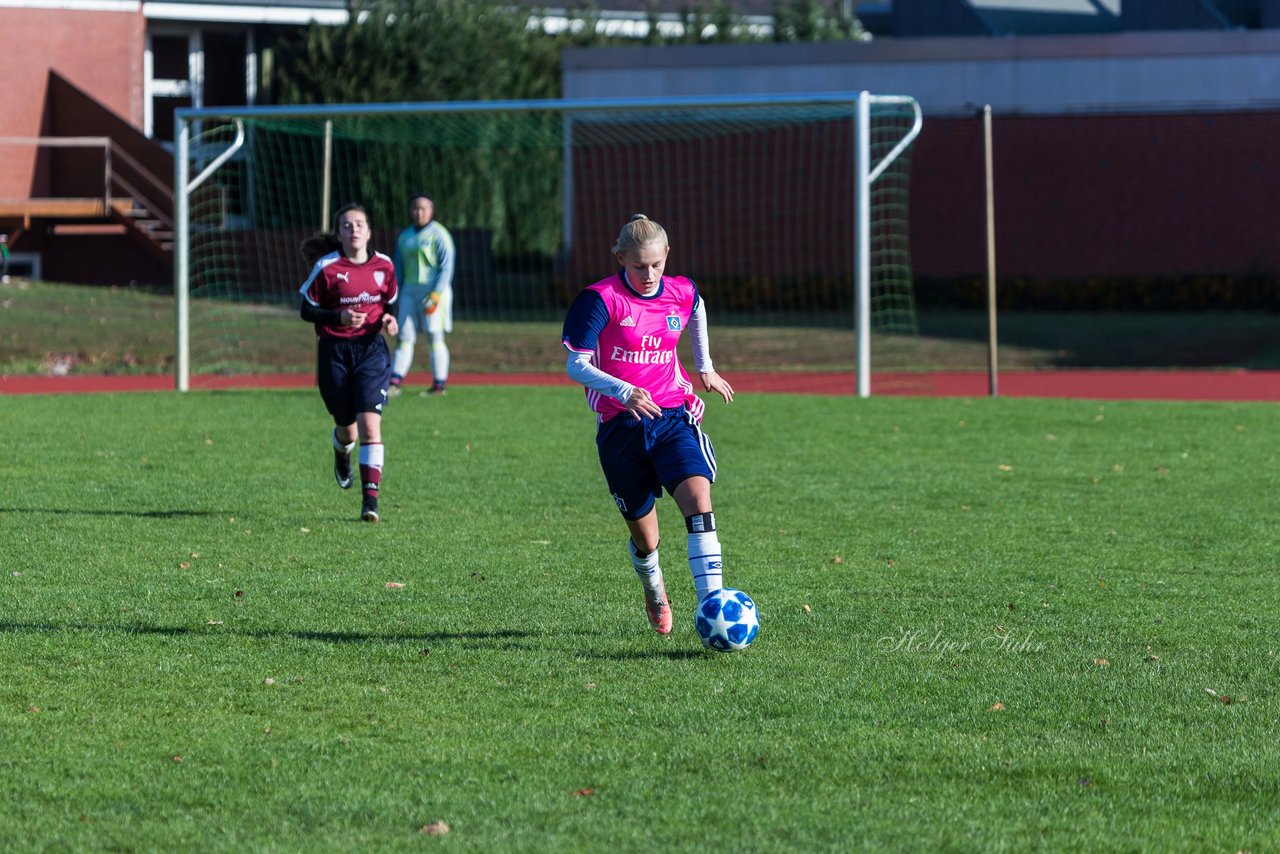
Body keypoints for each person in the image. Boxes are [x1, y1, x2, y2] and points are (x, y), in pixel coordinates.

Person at [561, 214, 736, 636]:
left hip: (673, 415)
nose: (648, 274)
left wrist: (705, 368)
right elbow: (575, 364)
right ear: (620, 257)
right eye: (639, 265)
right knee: (647, 538)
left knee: (698, 499)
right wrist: (623, 392)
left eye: (656, 264)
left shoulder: (679, 290)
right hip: (621, 428)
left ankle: (713, 606)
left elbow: (697, 306)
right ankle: (654, 585)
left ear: (667, 256)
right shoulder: (599, 299)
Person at [298, 203, 399, 522]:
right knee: (348, 430)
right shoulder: (327, 267)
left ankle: (370, 502)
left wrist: (389, 322)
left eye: (359, 224)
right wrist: (337, 316)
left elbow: (390, 306)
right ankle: (341, 452)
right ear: (339, 233)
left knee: (371, 426)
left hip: (371, 352)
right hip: (335, 353)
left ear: (369, 231)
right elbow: (306, 310)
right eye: (346, 225)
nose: (353, 229)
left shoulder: (385, 266)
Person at [390, 193, 455, 396]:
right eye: (415, 208)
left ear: (432, 210)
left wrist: (436, 293)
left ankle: (439, 385)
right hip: (409, 290)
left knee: (434, 335)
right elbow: (398, 268)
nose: (419, 212)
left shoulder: (439, 234)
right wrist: (395, 293)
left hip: (433, 290)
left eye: (423, 208)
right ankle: (394, 382)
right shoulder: (405, 236)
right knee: (404, 336)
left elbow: (446, 266)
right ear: (411, 211)